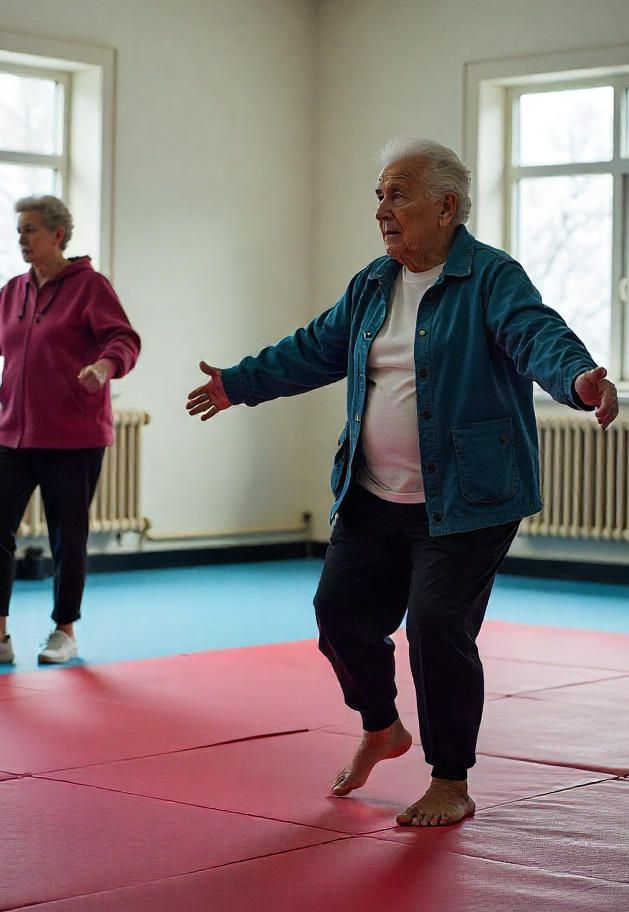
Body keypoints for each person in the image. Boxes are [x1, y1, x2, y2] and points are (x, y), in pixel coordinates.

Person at [186, 139, 618, 827]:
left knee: (437, 626)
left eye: (398, 195)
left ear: (445, 206)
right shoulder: (372, 284)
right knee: (339, 616)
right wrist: (240, 382)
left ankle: (450, 779)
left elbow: (537, 336)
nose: (382, 210)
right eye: (379, 196)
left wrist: (576, 378)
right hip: (372, 493)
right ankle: (381, 728)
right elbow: (314, 347)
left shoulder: (490, 278)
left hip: (468, 500)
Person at [0, 195, 141, 665]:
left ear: (57, 234)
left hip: (72, 437)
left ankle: (64, 630)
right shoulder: (13, 291)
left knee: (68, 536)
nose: (21, 238)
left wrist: (104, 367)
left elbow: (124, 338)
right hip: (12, 435)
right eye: (19, 230)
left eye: (30, 230)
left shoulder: (89, 286)